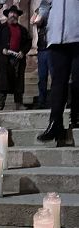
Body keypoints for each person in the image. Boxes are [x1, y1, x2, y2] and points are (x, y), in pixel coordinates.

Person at [36, 0, 79, 146]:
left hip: (77, 35)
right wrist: (41, 17)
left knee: (78, 81)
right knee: (57, 84)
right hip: (56, 38)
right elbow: (45, 4)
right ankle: (55, 124)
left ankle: (76, 119)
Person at [0, 5, 32, 111]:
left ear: (18, 16)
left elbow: (28, 42)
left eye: (15, 13)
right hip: (5, 59)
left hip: (18, 58)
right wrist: (2, 49)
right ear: (8, 15)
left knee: (18, 81)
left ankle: (18, 104)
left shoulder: (23, 30)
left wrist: (23, 52)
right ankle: (0, 104)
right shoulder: (1, 28)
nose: (13, 15)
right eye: (11, 13)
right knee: (3, 81)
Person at [30, 7, 53, 109]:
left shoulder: (55, 9)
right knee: (42, 77)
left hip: (52, 49)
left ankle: (55, 100)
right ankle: (42, 101)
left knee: (54, 77)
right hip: (42, 49)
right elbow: (33, 21)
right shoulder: (43, 8)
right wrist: (39, 11)